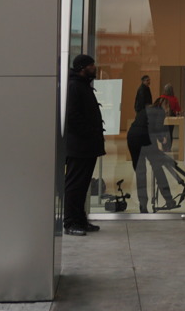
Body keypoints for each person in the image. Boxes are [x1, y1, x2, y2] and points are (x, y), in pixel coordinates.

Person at [63, 54, 105, 236]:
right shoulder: (74, 86)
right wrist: (90, 131)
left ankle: (80, 219)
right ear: (83, 67)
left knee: (82, 185)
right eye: (91, 65)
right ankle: (70, 222)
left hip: (87, 146)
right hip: (79, 147)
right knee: (75, 185)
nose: (94, 68)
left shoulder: (82, 85)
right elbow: (72, 117)